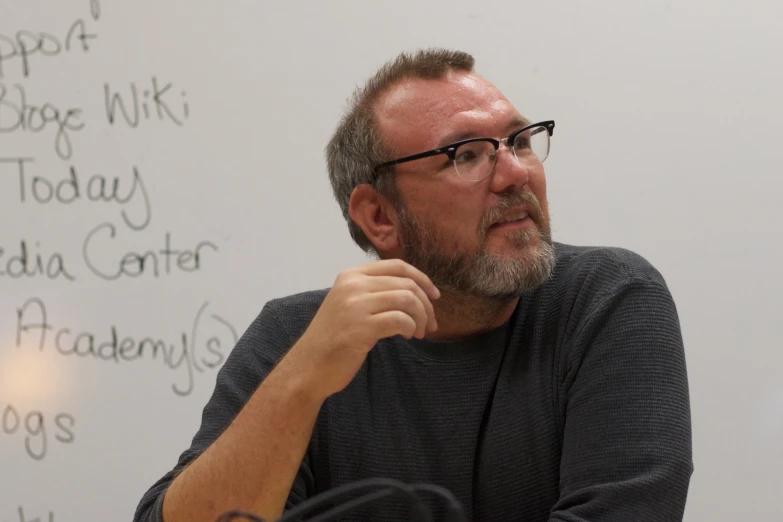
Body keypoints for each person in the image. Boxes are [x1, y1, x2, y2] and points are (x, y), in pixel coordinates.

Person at [133, 48, 693, 522]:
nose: (516, 173)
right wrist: (301, 382)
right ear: (379, 216)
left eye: (520, 140)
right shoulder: (296, 336)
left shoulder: (610, 299)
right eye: (466, 154)